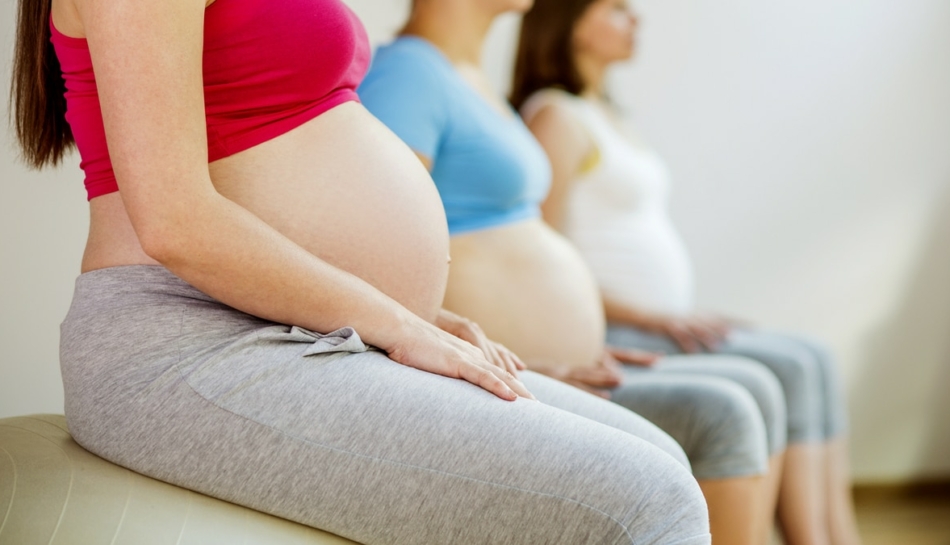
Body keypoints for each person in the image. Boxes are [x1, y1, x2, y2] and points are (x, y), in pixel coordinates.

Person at [9, 0, 712, 543]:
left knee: (660, 456)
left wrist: (413, 311)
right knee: (649, 497)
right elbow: (174, 222)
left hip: (290, 320)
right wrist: (396, 320)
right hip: (183, 340)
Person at [358, 1, 790, 543]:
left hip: (557, 360)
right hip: (506, 370)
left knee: (746, 393)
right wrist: (526, 361)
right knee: (720, 411)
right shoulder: (407, 76)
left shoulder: (469, 78)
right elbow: (377, 257)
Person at [511, 1, 863, 544]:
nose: (636, 20)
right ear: (571, 22)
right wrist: (650, 316)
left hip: (659, 321)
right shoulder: (555, 115)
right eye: (617, 9)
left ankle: (838, 535)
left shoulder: (606, 112)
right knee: (789, 367)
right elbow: (546, 261)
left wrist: (674, 314)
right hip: (619, 329)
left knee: (811, 356)